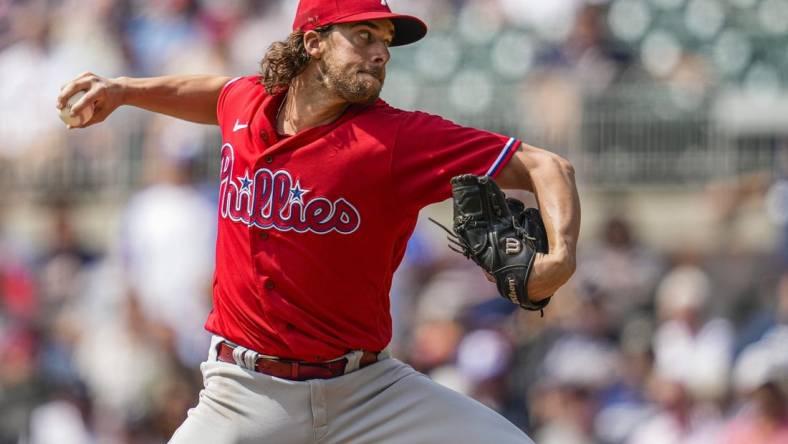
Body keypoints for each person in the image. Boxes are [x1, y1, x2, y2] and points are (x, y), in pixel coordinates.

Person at [57, 1, 580, 442]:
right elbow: (215, 95)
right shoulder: (248, 104)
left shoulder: (395, 139)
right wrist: (126, 89)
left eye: (385, 41)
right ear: (313, 43)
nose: (380, 51)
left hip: (371, 392)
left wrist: (558, 260)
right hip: (245, 393)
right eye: (363, 34)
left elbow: (545, 166)